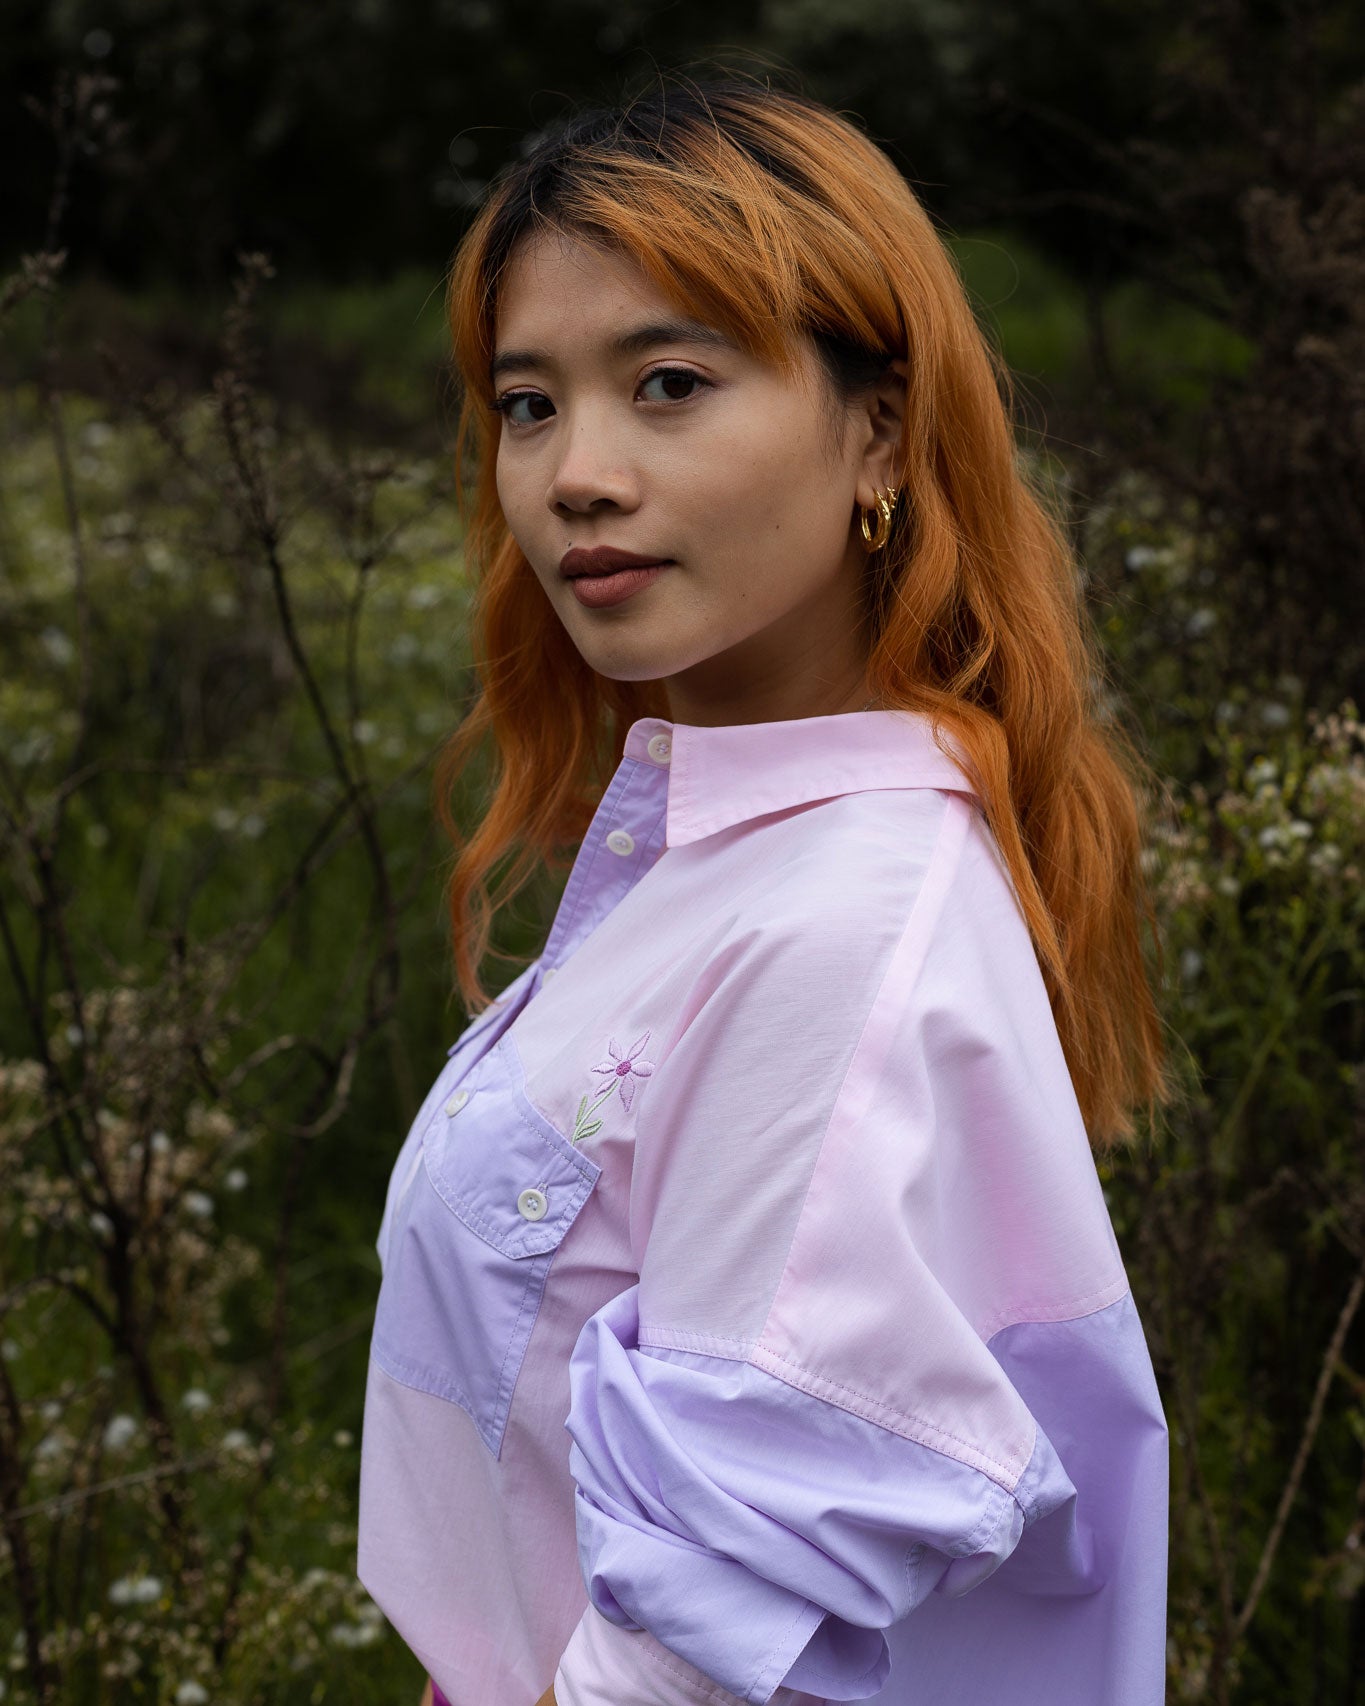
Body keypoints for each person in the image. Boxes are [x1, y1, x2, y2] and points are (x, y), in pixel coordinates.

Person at [357, 72, 1172, 1706]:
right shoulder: (729, 845)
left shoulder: (838, 926)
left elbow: (707, 1652)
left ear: (876, 423)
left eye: (667, 383)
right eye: (529, 403)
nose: (575, 473)